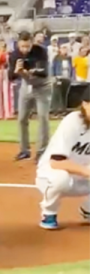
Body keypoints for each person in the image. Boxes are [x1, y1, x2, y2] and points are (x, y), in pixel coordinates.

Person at [35, 89, 90, 229]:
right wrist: (86, 171)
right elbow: (56, 162)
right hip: (51, 175)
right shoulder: (73, 121)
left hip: (83, 178)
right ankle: (49, 213)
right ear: (84, 104)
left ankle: (88, 209)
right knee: (61, 178)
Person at [9, 31, 51, 161]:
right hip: (26, 86)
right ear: (18, 44)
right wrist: (17, 71)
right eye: (22, 46)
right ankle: (24, 150)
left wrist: (28, 71)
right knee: (22, 118)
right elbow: (10, 77)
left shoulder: (40, 51)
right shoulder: (14, 55)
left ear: (32, 43)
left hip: (42, 86)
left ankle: (42, 151)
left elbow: (44, 72)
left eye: (27, 46)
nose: (25, 49)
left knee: (43, 118)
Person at [0, 39, 13, 120]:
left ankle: (8, 113)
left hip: (5, 71)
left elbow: (9, 64)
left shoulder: (8, 54)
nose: (3, 47)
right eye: (1, 45)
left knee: (7, 92)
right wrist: (0, 54)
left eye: (4, 46)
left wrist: (6, 56)